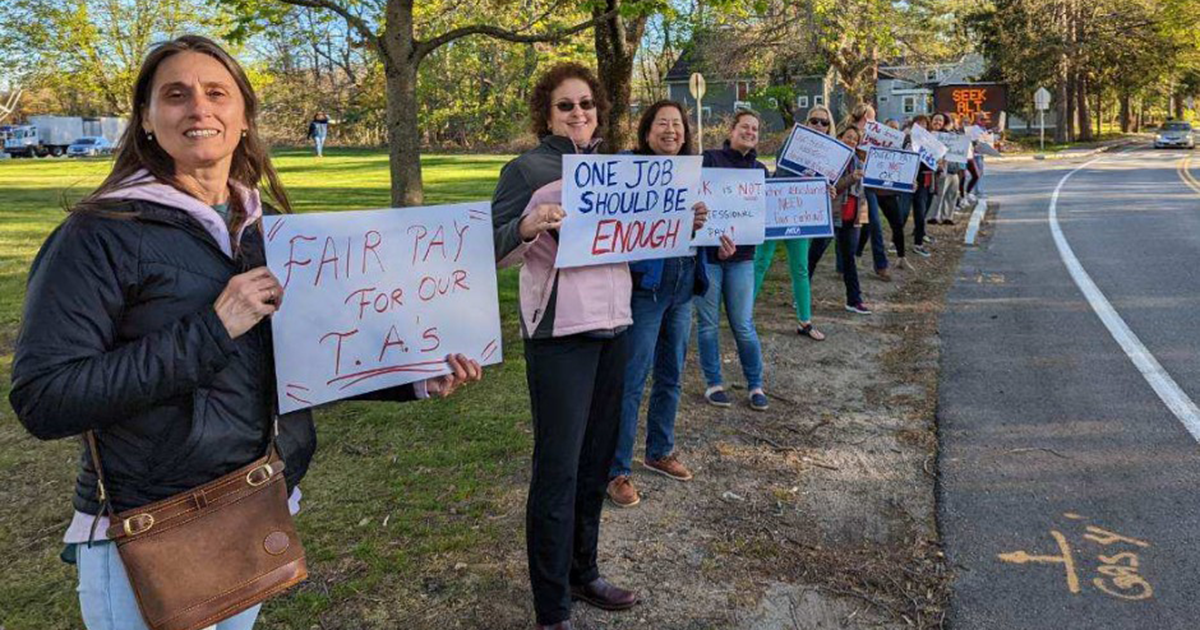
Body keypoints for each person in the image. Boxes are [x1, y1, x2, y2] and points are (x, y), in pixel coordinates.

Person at [9, 35, 482, 630]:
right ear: (146, 120)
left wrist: (412, 378)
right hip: (155, 527)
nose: (198, 108)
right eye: (175, 95)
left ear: (244, 117)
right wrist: (214, 327)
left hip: (254, 500)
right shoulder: (98, 235)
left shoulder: (268, 230)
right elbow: (46, 398)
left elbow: (310, 354)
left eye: (217, 93)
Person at [491, 62, 638, 630]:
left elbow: (638, 237)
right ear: (546, 114)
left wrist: (684, 220)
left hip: (616, 327)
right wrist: (527, 226)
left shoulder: (616, 168)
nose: (579, 113)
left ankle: (585, 572)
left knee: (597, 462)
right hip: (559, 334)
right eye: (566, 105)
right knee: (558, 469)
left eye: (586, 104)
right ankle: (552, 607)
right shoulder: (526, 170)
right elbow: (489, 246)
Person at [607, 100, 711, 508]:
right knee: (632, 380)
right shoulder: (629, 169)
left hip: (683, 284)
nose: (671, 131)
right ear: (647, 131)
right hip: (645, 289)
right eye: (662, 124)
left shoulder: (696, 173)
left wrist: (713, 231)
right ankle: (617, 470)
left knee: (672, 375)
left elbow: (712, 224)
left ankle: (659, 451)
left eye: (677, 125)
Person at [694, 109, 769, 412]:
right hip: (708, 257)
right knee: (708, 325)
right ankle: (714, 383)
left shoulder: (760, 171)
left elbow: (772, 208)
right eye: (745, 127)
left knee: (743, 325)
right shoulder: (709, 160)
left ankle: (755, 384)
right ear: (732, 130)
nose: (750, 132)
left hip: (742, 258)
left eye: (755, 129)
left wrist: (818, 191)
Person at [753, 105, 834, 342]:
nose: (819, 125)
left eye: (824, 122)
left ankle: (804, 321)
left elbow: (828, 184)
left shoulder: (831, 156)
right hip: (777, 212)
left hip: (802, 217)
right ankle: (742, 315)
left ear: (829, 127)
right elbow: (782, 172)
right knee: (761, 261)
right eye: (814, 120)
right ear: (806, 123)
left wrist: (828, 190)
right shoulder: (790, 145)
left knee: (800, 267)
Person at [828, 125, 871, 314]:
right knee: (814, 254)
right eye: (848, 137)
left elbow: (871, 186)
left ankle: (854, 300)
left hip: (852, 216)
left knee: (849, 259)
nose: (851, 141)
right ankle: (800, 297)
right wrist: (852, 178)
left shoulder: (859, 163)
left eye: (855, 139)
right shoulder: (831, 159)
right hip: (832, 214)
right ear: (840, 137)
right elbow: (833, 187)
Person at [847, 103, 891, 280]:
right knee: (851, 225)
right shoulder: (849, 133)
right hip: (850, 185)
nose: (875, 122)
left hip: (868, 185)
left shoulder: (876, 137)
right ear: (865, 117)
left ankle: (881, 264)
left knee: (874, 223)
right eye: (872, 118)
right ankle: (844, 264)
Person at [908, 115, 934, 258]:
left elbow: (934, 161)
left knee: (921, 212)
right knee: (903, 213)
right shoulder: (907, 139)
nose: (921, 126)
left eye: (924, 124)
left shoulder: (932, 142)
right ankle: (895, 242)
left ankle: (919, 241)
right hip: (908, 180)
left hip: (925, 181)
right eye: (918, 123)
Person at [930, 113, 960, 225]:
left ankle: (948, 217)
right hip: (941, 169)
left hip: (953, 168)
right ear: (931, 121)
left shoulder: (950, 135)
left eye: (940, 120)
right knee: (939, 194)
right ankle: (934, 216)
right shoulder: (930, 135)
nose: (937, 122)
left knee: (951, 194)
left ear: (944, 123)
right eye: (935, 120)